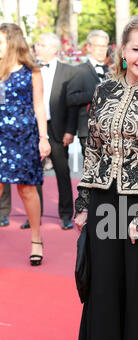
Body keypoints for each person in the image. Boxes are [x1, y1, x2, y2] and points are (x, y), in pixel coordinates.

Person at [0, 14, 138, 340]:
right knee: (103, 293)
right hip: (105, 201)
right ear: (123, 48)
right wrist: (83, 203)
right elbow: (95, 147)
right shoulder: (105, 89)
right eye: (137, 48)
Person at [0, 23, 50, 264]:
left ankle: (36, 239)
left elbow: (39, 105)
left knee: (27, 189)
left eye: (1, 42)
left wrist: (43, 137)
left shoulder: (32, 70)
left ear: (12, 43)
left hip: (25, 137)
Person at [21, 33, 77, 231]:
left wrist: (70, 131)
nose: (38, 47)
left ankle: (66, 215)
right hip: (32, 128)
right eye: (37, 43)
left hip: (57, 129)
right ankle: (33, 215)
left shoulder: (69, 71)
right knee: (33, 173)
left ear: (54, 49)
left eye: (43, 44)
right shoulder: (28, 69)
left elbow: (72, 105)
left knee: (62, 172)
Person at [67, 30, 110, 160]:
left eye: (104, 46)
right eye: (98, 46)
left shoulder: (113, 71)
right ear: (89, 47)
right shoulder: (78, 70)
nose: (102, 50)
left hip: (111, 131)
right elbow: (71, 98)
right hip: (87, 129)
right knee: (91, 173)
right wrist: (95, 94)